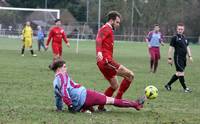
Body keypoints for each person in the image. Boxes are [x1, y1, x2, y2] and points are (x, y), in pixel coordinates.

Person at [51, 60, 146, 113]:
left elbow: (58, 97)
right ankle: (136, 105)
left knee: (96, 104)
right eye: (64, 66)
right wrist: (70, 105)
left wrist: (59, 108)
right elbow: (64, 91)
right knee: (111, 100)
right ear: (59, 69)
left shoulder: (55, 81)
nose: (66, 68)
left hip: (78, 103)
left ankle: (86, 109)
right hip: (84, 96)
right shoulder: (62, 76)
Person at [96, 11, 135, 111]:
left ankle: (101, 107)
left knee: (114, 85)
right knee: (130, 75)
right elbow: (98, 39)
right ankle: (118, 100)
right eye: (117, 22)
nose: (118, 24)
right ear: (111, 20)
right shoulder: (106, 28)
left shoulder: (108, 29)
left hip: (104, 62)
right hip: (106, 62)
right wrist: (99, 52)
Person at [164, 23, 193, 93]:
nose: (180, 30)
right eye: (179, 29)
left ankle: (168, 85)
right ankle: (185, 88)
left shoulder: (184, 37)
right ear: (177, 29)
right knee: (181, 73)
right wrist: (169, 58)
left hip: (183, 58)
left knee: (178, 73)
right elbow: (170, 48)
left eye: (181, 29)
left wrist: (190, 56)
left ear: (183, 30)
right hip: (177, 58)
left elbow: (187, 47)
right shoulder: (175, 37)